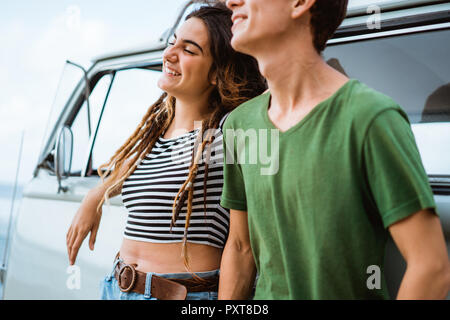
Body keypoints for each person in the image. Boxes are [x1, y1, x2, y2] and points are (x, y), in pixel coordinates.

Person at [219, 0, 450, 299]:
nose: (230, 2)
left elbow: (430, 267)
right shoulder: (239, 124)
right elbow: (240, 247)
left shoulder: (370, 116)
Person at [66, 2, 266, 300]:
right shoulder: (156, 133)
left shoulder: (228, 131)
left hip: (185, 295)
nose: (168, 54)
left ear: (216, 73)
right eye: (172, 43)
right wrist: (95, 195)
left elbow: (242, 245)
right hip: (116, 287)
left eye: (189, 50)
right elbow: (128, 167)